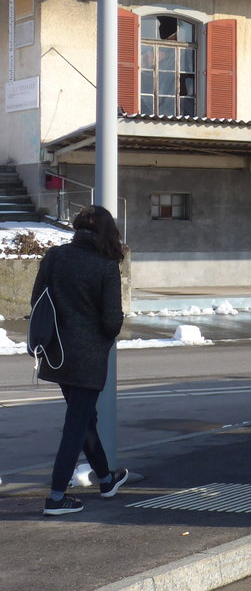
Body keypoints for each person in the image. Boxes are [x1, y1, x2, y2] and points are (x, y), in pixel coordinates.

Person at [34, 205, 131, 516]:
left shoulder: (55, 256)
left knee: (84, 419)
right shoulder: (106, 265)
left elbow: (38, 300)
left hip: (58, 352)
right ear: (106, 232)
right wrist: (105, 333)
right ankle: (57, 496)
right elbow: (112, 321)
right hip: (89, 356)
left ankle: (105, 479)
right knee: (76, 425)